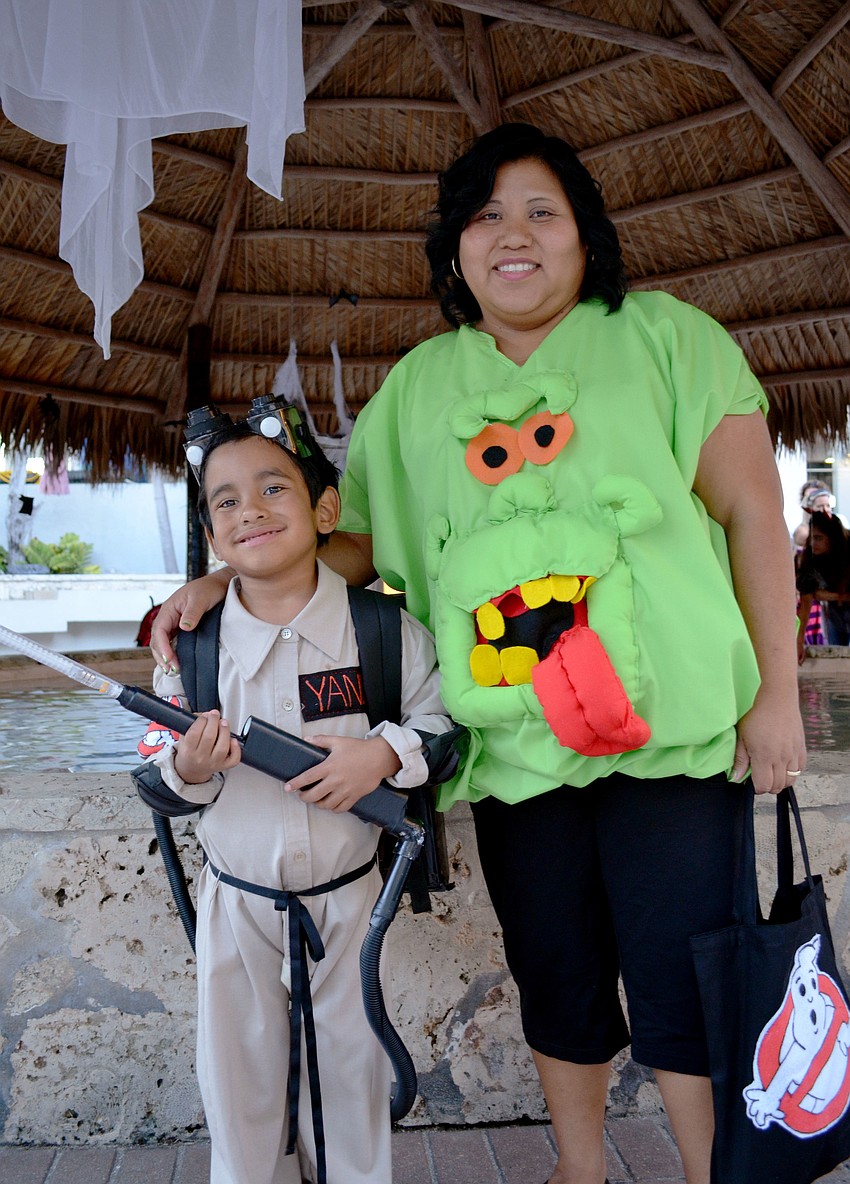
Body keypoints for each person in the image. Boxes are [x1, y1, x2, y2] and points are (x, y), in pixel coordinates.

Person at [152, 123, 806, 1184]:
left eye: (542, 211)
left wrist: (776, 692)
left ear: (585, 238)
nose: (513, 235)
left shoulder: (672, 339)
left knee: (687, 974)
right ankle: (580, 1168)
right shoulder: (416, 388)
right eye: (485, 215)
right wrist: (236, 572)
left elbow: (752, 518)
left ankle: (707, 1174)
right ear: (455, 249)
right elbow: (353, 546)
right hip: (514, 753)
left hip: (676, 743)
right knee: (555, 968)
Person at [137, 416, 451, 1184]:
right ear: (211, 533)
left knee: (353, 1079)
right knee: (239, 1087)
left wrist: (382, 756)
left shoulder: (383, 631)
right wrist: (189, 765)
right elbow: (157, 779)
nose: (251, 510)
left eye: (274, 488)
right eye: (227, 501)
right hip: (235, 907)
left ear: (326, 511)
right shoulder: (194, 648)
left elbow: (442, 728)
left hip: (349, 905)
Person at [796, 508, 850, 659]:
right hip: (834, 612)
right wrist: (799, 640)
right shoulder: (810, 558)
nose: (813, 543)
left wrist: (830, 595)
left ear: (832, 538)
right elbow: (806, 601)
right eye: (812, 538)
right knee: (838, 654)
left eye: (819, 538)